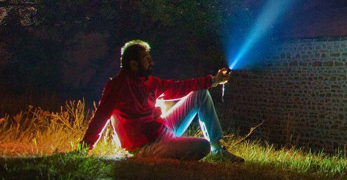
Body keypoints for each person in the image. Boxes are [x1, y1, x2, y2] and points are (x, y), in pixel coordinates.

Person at [80, 39, 243, 162]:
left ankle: (218, 149)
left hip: (163, 129)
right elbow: (100, 117)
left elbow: (178, 87)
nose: (151, 62)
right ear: (133, 64)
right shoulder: (117, 86)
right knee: (202, 146)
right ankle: (201, 147)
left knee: (200, 94)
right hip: (147, 145)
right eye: (146, 58)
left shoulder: (148, 81)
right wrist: (84, 148)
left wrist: (213, 80)